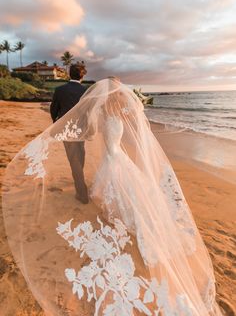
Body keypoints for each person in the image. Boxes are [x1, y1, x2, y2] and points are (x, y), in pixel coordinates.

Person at [2, 78, 223, 316]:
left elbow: (95, 124)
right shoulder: (117, 108)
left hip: (113, 155)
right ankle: (115, 205)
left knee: (116, 183)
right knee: (118, 182)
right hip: (115, 154)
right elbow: (129, 121)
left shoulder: (105, 108)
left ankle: (114, 207)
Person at [50, 61, 88, 203]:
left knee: (74, 159)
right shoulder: (86, 91)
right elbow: (88, 111)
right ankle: (80, 186)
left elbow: (54, 108)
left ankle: (82, 192)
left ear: (68, 74)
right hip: (81, 129)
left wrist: (56, 122)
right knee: (79, 155)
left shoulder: (60, 90)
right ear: (82, 76)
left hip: (66, 129)